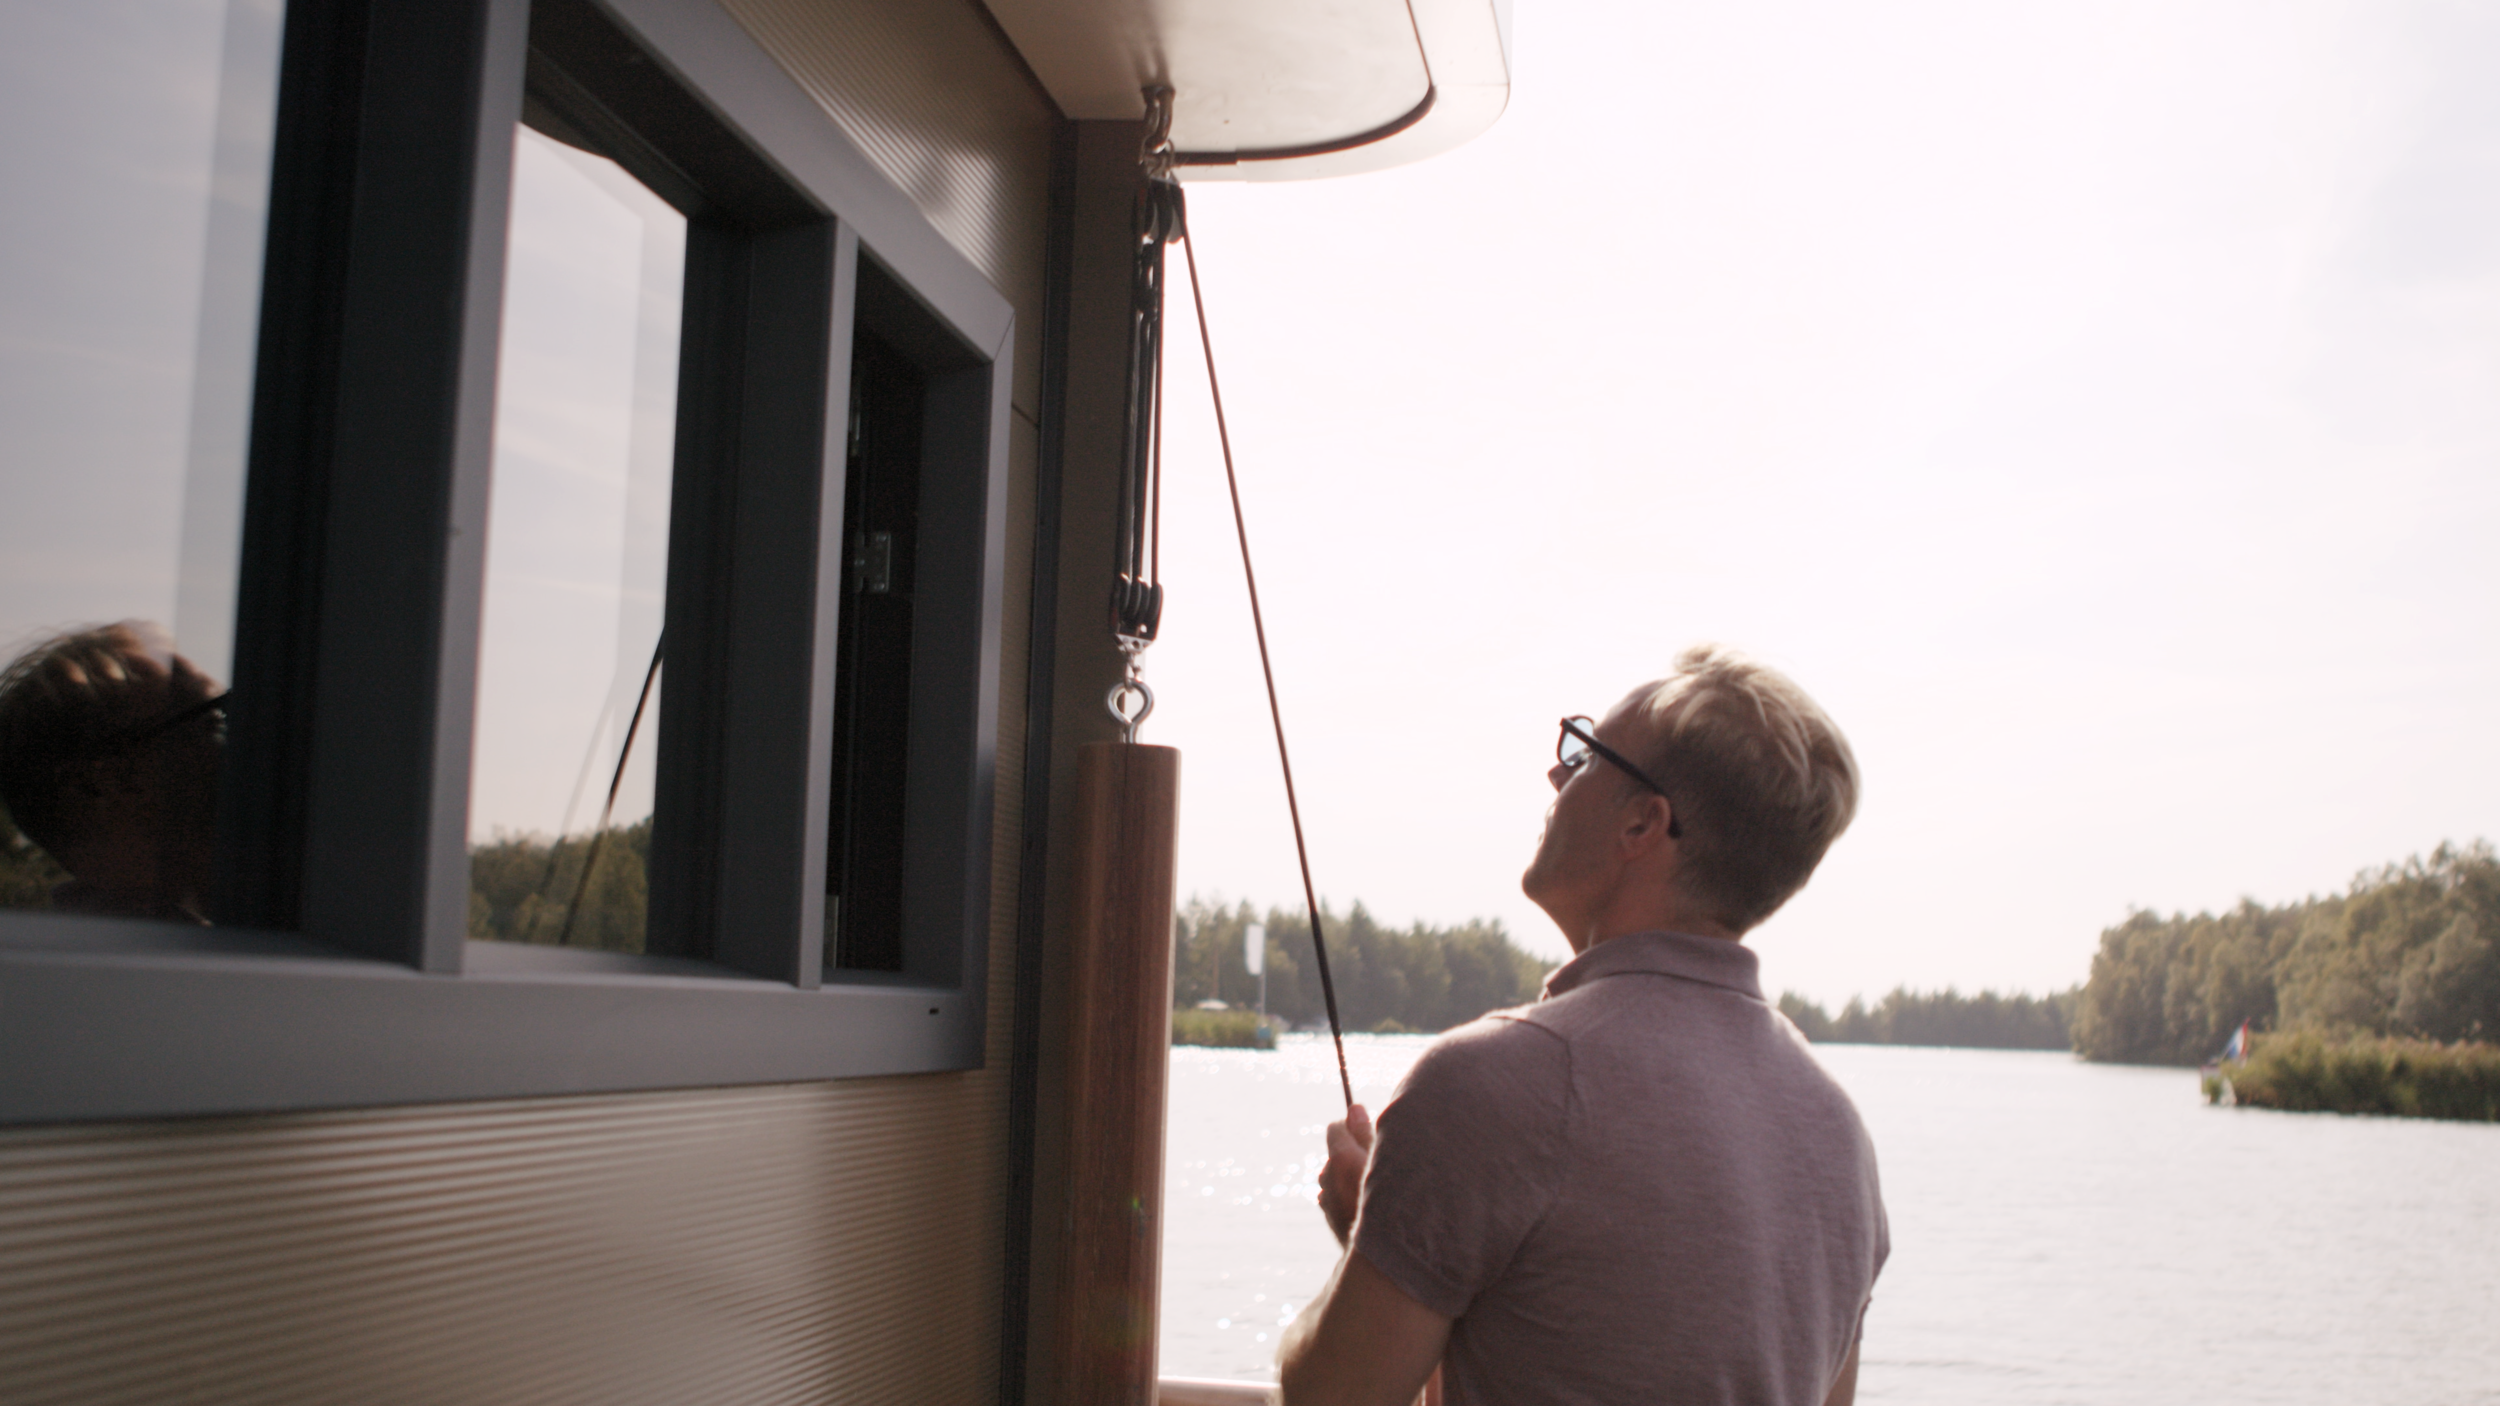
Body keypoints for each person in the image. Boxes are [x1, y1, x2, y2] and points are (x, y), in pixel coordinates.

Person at [1278, 645, 1884, 1406]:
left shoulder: (1489, 1084)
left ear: (1641, 823)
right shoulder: (1837, 1136)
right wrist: (1412, 1255)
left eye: (1587, 753)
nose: (1556, 775)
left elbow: (1328, 1400)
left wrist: (1368, 1243)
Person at [0, 622, 224, 922]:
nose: (244, 741)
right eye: (212, 721)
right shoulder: (187, 946)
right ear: (108, 779)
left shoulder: (88, 940)